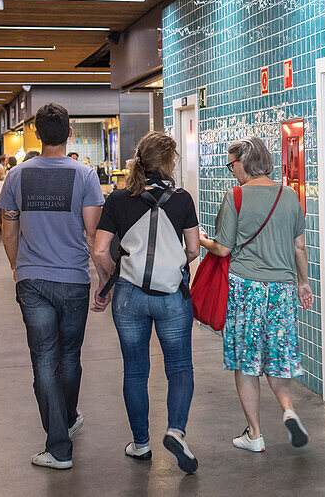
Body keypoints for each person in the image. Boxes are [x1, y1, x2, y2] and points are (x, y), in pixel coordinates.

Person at [0, 103, 105, 470]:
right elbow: (94, 236)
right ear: (69, 132)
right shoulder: (86, 176)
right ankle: (66, 424)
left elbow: (8, 229)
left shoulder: (16, 176)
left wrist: (18, 267)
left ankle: (60, 440)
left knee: (44, 358)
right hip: (74, 278)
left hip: (33, 281)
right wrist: (103, 277)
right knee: (69, 356)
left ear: (38, 134)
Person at [90, 131, 200, 473]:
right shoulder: (182, 199)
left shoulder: (119, 199)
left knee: (135, 371)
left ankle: (140, 444)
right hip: (171, 297)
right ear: (169, 162)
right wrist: (171, 262)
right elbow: (194, 250)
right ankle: (176, 431)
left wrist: (110, 278)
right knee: (179, 367)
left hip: (129, 296)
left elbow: (99, 249)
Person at [199, 135, 313, 453]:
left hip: (245, 287)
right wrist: (304, 283)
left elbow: (223, 247)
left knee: (246, 362)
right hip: (282, 289)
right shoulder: (290, 196)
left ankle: (255, 434)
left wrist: (203, 240)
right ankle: (288, 409)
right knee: (277, 359)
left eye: (231, 164)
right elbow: (299, 246)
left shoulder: (235, 196)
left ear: (244, 163)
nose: (231, 171)